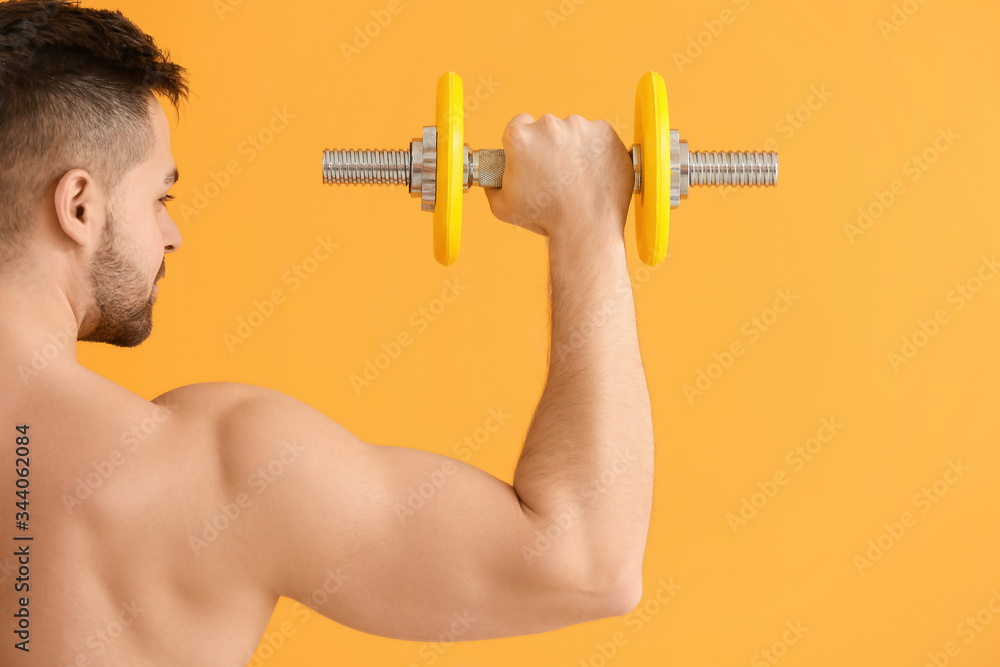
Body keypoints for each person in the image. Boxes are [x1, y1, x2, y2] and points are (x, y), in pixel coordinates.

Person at [0, 1, 654, 664]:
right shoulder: (220, 468)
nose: (171, 234)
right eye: (159, 198)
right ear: (79, 205)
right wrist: (589, 221)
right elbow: (589, 561)